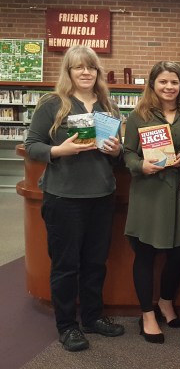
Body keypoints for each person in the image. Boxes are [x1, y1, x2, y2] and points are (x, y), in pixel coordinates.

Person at [24, 45, 125, 352]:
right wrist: (58, 151)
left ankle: (93, 317)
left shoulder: (108, 105)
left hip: (101, 195)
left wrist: (117, 150)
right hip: (64, 197)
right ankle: (67, 325)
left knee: (96, 262)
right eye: (79, 68)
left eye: (91, 68)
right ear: (68, 72)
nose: (85, 73)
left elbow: (118, 155)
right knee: (66, 265)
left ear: (98, 72)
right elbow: (32, 145)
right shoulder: (52, 103)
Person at [123, 61, 180, 344]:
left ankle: (166, 302)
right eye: (163, 82)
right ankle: (147, 314)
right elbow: (127, 153)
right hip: (149, 193)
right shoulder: (139, 115)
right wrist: (141, 165)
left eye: (174, 82)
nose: (169, 87)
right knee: (145, 254)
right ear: (153, 84)